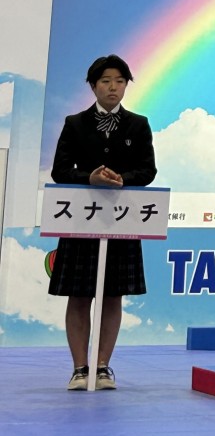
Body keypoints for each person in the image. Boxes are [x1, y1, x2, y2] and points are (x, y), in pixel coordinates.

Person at [48, 55, 157, 390]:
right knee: (79, 296)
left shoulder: (138, 124)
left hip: (121, 221)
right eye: (106, 81)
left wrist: (123, 179)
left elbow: (148, 171)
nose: (113, 87)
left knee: (113, 296)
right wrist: (89, 178)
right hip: (81, 220)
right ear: (94, 86)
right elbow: (60, 170)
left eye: (120, 81)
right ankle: (80, 369)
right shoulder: (75, 123)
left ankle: (103, 367)